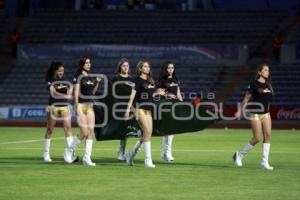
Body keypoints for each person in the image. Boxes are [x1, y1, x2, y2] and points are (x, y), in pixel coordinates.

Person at [233, 63, 275, 170]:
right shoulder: (253, 84)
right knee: (257, 138)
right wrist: (239, 111)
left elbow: (268, 100)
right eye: (265, 70)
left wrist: (268, 111)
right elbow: (246, 98)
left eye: (268, 70)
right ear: (260, 72)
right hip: (255, 113)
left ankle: (264, 162)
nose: (267, 72)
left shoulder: (268, 84)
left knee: (268, 136)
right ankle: (239, 155)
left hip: (266, 114)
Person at [124, 60, 163, 168]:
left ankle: (130, 155)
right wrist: (128, 110)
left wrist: (158, 93)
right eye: (145, 66)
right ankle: (148, 160)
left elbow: (151, 96)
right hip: (139, 109)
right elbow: (132, 96)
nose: (147, 68)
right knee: (146, 132)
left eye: (148, 66)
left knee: (147, 135)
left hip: (149, 110)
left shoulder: (151, 81)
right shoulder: (137, 80)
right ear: (140, 69)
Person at [64, 57, 102, 166]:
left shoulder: (89, 77)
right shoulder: (78, 75)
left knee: (90, 132)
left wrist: (97, 83)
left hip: (90, 106)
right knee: (84, 132)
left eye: (90, 63)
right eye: (86, 63)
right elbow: (76, 92)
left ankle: (87, 158)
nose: (89, 64)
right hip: (81, 105)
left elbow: (93, 93)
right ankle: (69, 151)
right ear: (82, 64)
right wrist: (76, 106)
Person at [43, 61, 77, 163]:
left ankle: (70, 153)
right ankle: (46, 154)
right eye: (59, 71)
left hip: (64, 107)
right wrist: (66, 96)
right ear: (55, 71)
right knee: (50, 129)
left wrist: (71, 88)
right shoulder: (50, 80)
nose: (61, 72)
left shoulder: (66, 81)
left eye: (62, 71)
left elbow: (70, 91)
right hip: (53, 106)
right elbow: (53, 93)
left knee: (68, 129)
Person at [111, 58, 141, 161]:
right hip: (119, 107)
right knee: (123, 131)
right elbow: (111, 94)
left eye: (127, 66)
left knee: (136, 130)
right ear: (120, 67)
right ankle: (121, 152)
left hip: (130, 107)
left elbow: (134, 95)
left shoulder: (132, 80)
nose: (126, 67)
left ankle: (129, 152)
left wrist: (134, 108)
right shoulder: (115, 79)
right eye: (124, 66)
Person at [157, 61, 183, 162]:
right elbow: (159, 93)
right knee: (169, 129)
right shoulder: (161, 80)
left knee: (172, 130)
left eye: (172, 68)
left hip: (175, 104)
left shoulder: (176, 79)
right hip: (166, 105)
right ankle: (166, 153)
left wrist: (181, 103)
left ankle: (166, 153)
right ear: (165, 69)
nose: (171, 70)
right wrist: (167, 95)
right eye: (168, 68)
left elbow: (178, 92)